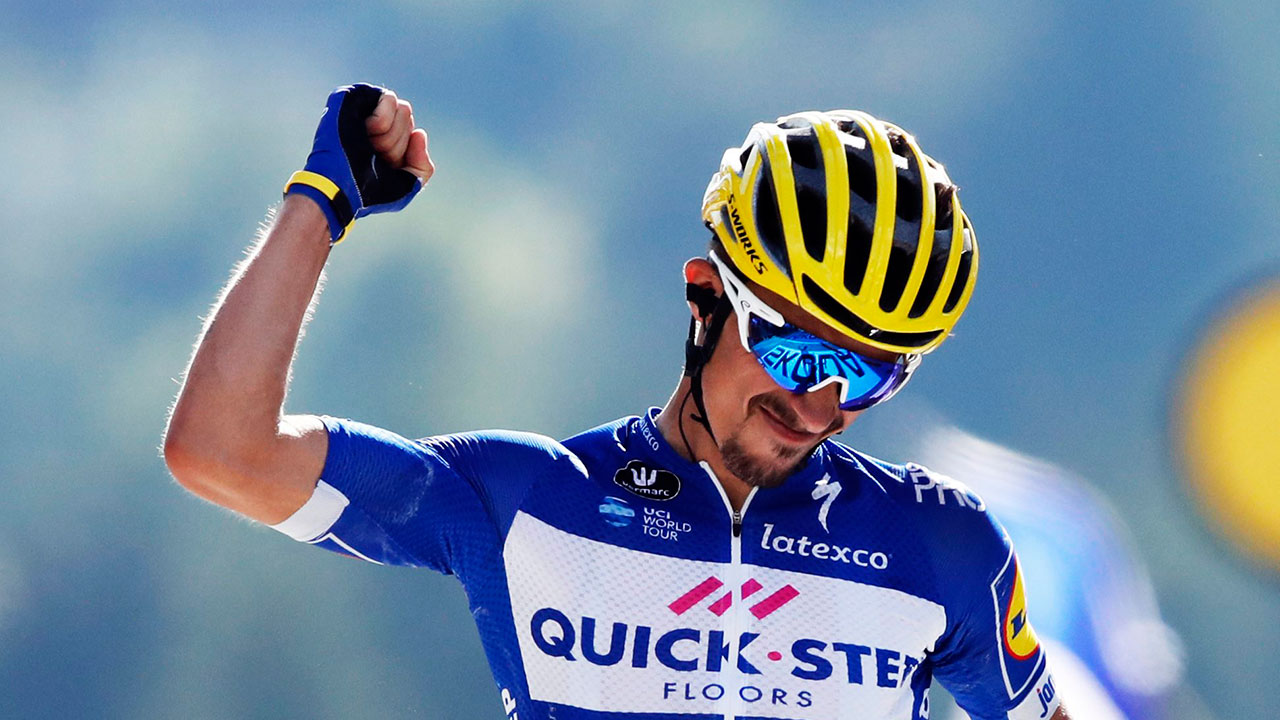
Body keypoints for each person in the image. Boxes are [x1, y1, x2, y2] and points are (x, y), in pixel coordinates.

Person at [164, 83, 1069, 720]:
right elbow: (219, 449)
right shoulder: (524, 501)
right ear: (705, 295)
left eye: (869, 374)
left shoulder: (942, 547)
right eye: (794, 352)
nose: (822, 407)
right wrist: (322, 204)